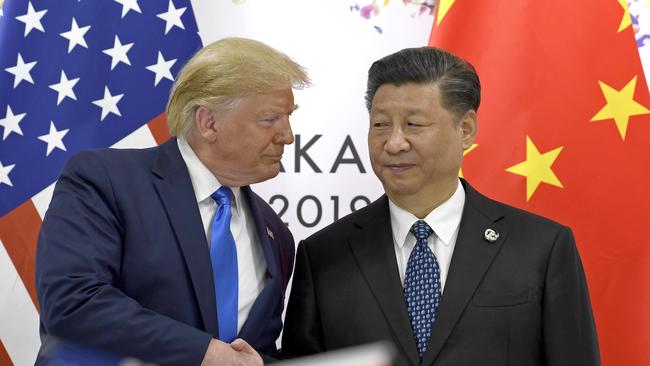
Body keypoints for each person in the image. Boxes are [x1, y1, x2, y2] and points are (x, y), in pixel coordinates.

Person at [281, 46, 600, 366]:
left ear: (465, 129)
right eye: (380, 125)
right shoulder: (324, 255)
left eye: (413, 125)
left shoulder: (540, 247)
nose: (394, 143)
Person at [36, 37, 310, 366]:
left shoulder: (276, 235)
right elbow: (73, 301)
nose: (288, 135)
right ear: (209, 122)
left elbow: (254, 353)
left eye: (288, 117)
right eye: (270, 119)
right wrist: (204, 353)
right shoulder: (105, 181)